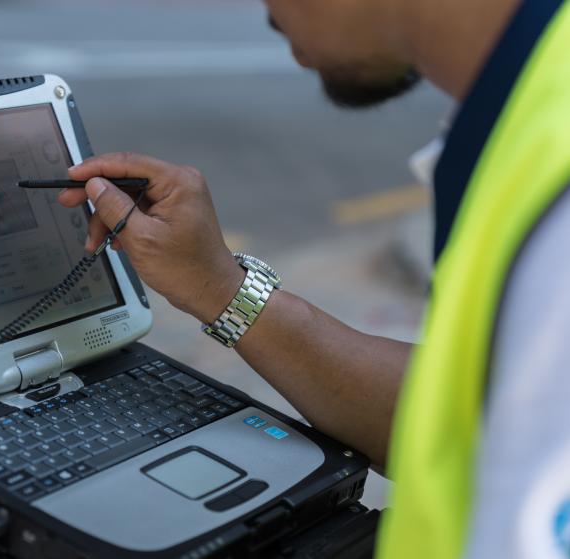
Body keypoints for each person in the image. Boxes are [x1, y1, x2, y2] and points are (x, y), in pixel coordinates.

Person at [58, 0, 570, 557]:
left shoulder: (554, 184)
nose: (268, 14)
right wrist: (219, 287)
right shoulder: (530, 108)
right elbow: (466, 422)